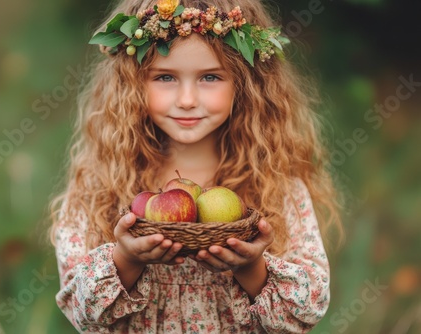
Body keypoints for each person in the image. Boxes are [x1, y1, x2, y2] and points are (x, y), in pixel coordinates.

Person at [50, 0, 343, 332]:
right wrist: (127, 259)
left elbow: (306, 310)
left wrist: (251, 267)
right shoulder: (101, 184)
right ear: (132, 82)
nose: (187, 99)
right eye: (164, 77)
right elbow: (81, 311)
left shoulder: (275, 185)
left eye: (209, 77)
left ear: (244, 84)